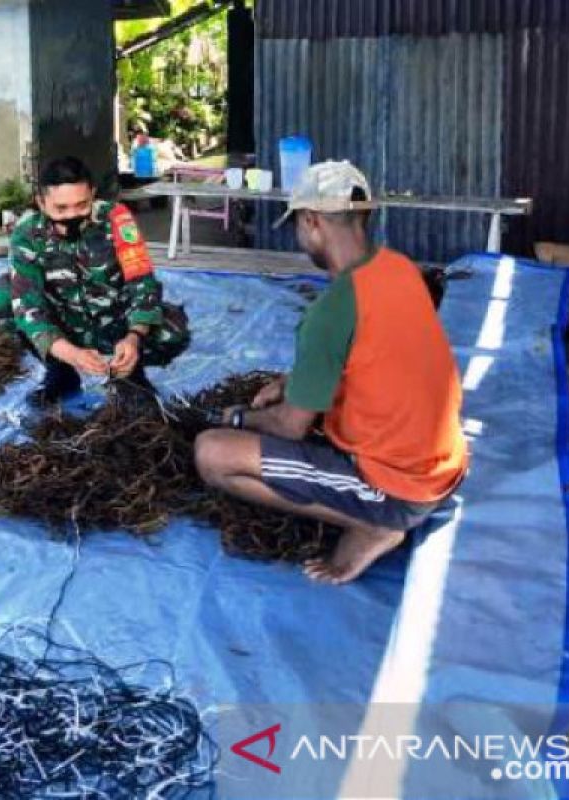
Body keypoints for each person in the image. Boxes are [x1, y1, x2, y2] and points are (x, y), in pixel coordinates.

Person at [195, 161, 469, 584]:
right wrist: (295, 382)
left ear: (311, 221)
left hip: (399, 487)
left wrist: (235, 417)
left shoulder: (331, 311)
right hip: (444, 462)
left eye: (299, 227)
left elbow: (289, 428)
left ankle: (375, 524)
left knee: (212, 453)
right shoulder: (400, 268)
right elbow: (378, 355)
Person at [0, 156, 189, 406]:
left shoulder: (117, 218)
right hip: (64, 325)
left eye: (81, 205)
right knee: (2, 299)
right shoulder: (27, 233)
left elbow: (142, 282)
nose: (72, 215)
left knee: (172, 332)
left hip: (115, 322)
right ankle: (60, 373)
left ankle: (129, 374)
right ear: (41, 202)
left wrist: (134, 337)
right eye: (60, 209)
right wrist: (68, 353)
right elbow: (28, 306)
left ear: (93, 194)